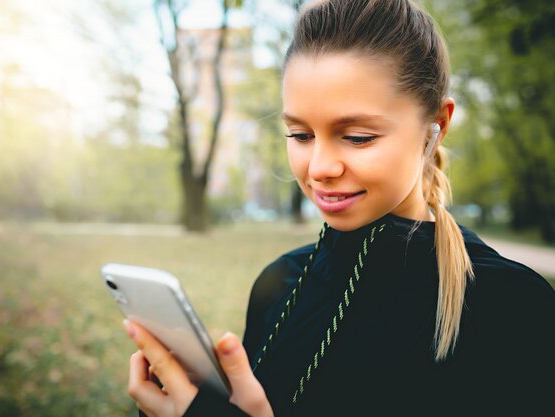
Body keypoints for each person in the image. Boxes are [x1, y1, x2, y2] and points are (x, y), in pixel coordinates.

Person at [121, 0, 555, 415]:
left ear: (435, 127)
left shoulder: (513, 307)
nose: (320, 168)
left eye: (358, 137)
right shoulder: (279, 282)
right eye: (301, 135)